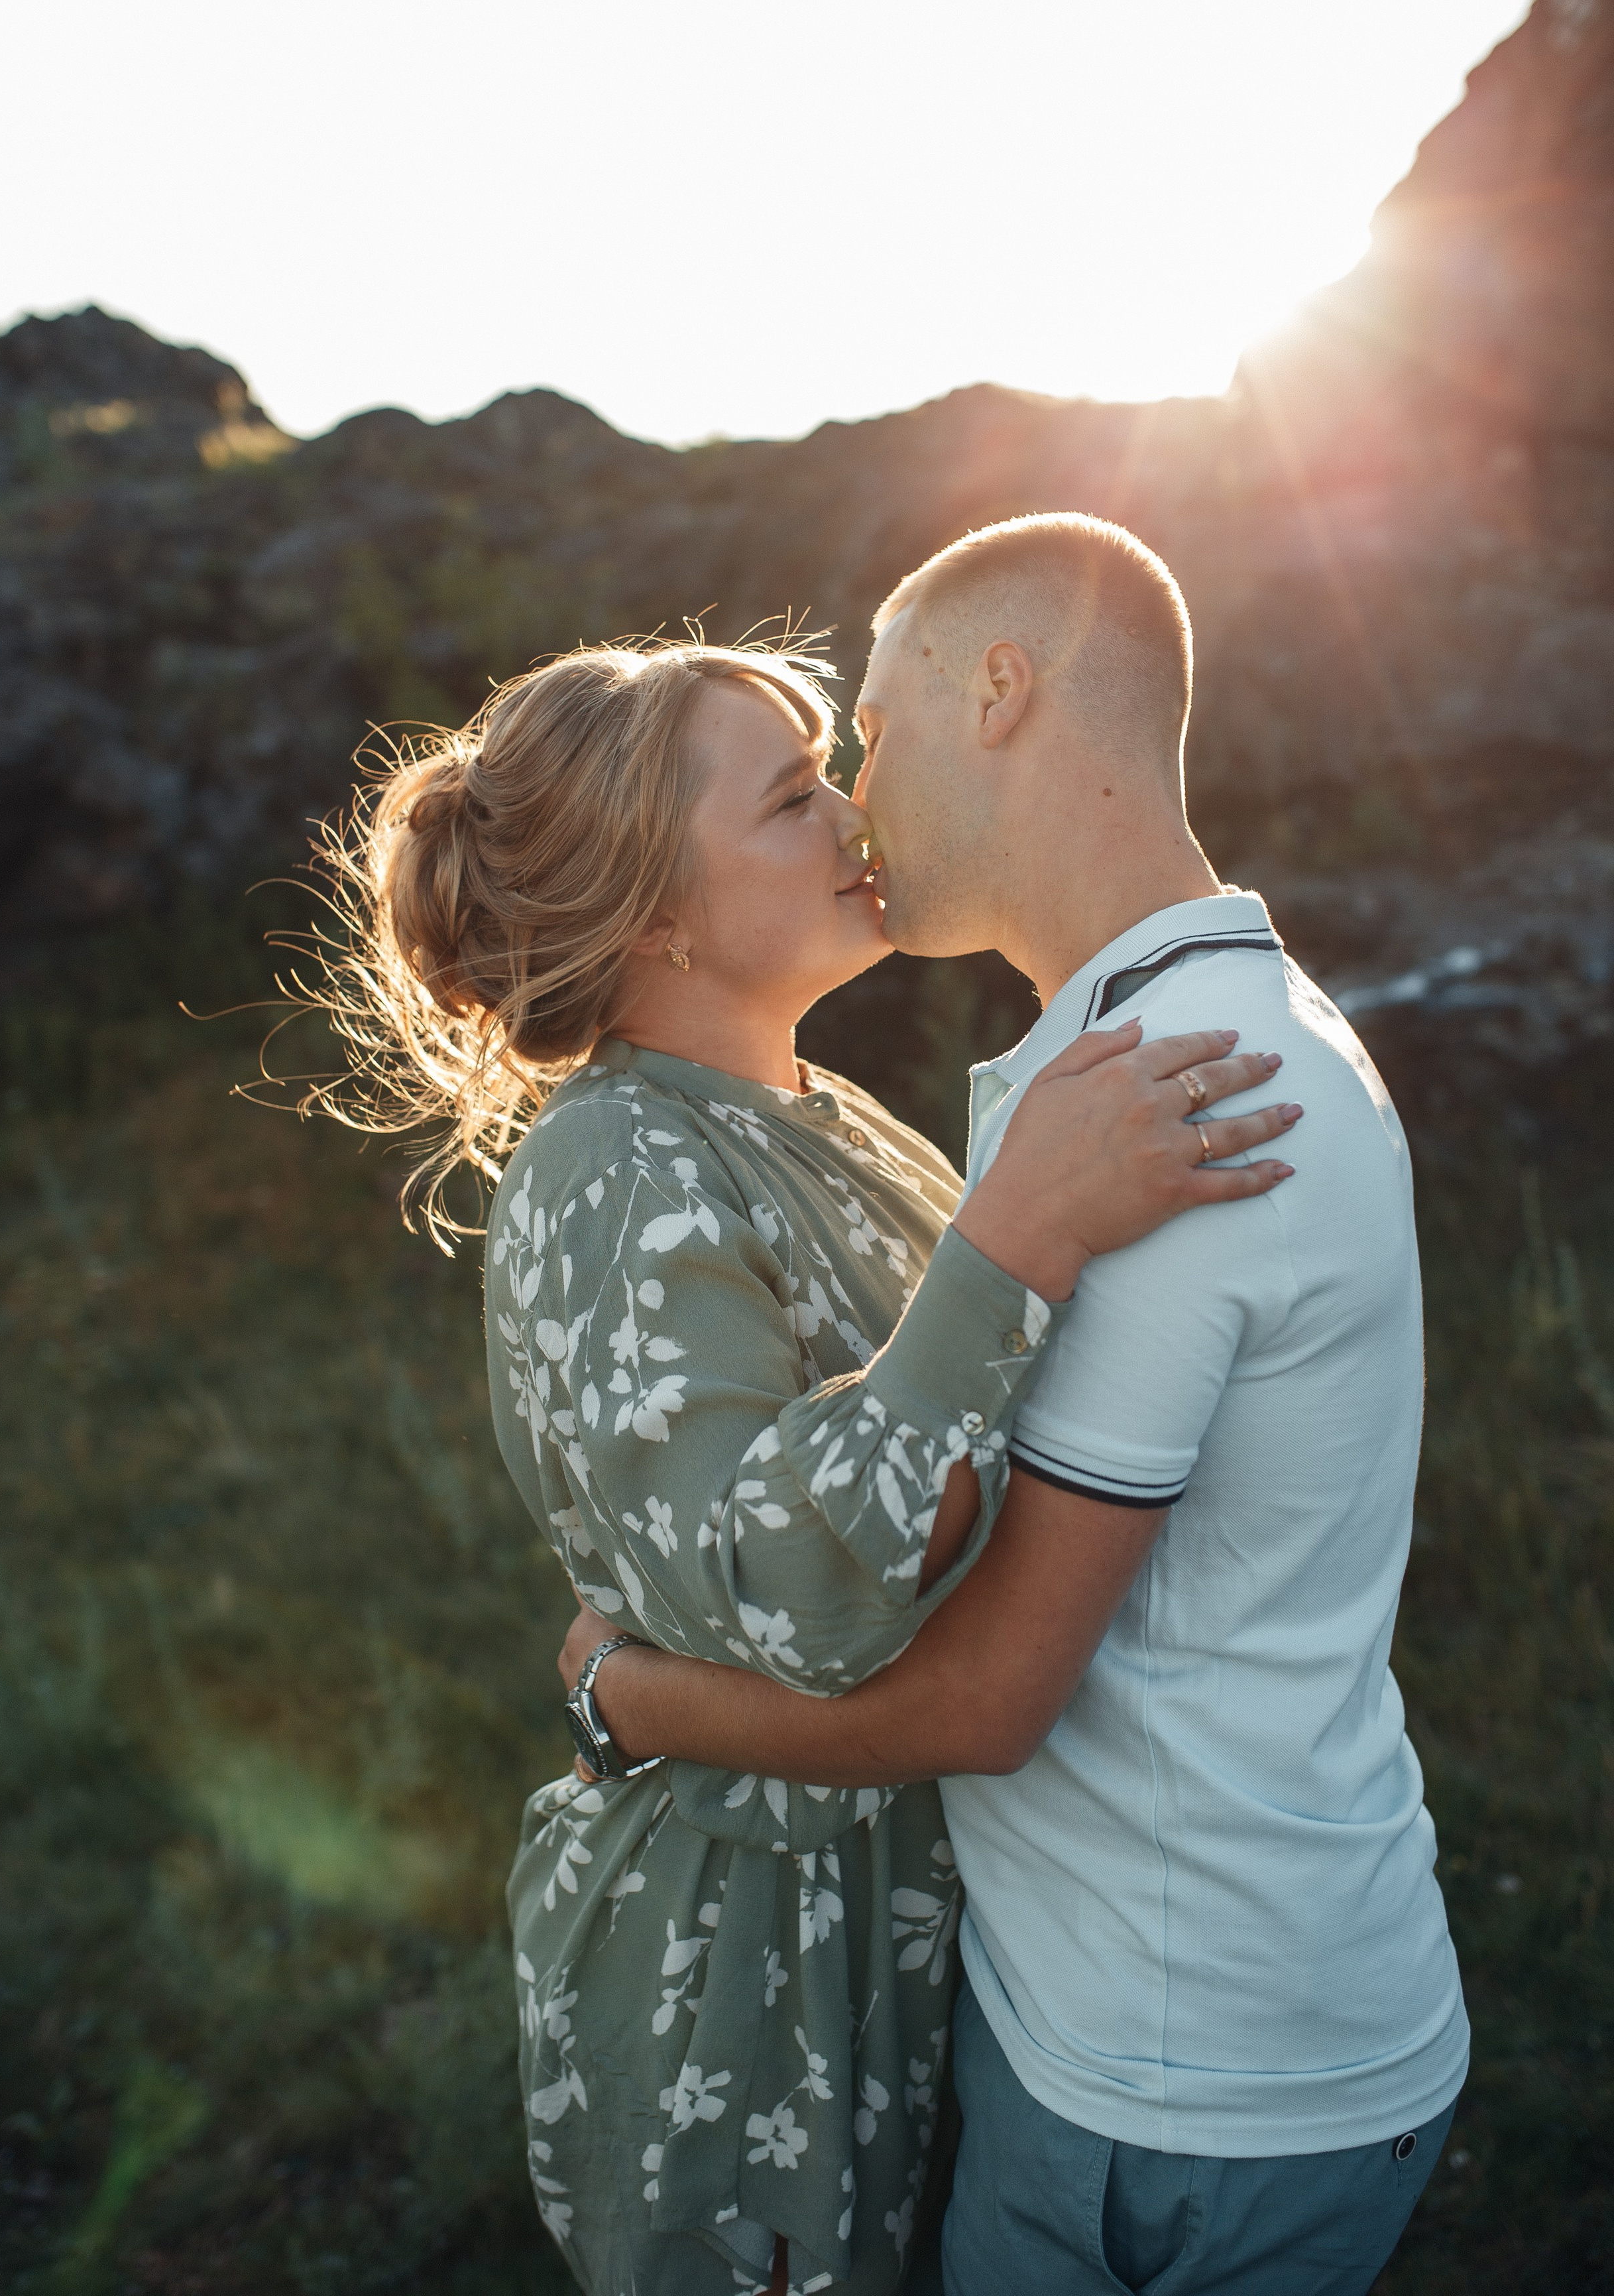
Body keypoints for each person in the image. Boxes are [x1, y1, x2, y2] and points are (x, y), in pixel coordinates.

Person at [312, 628, 1297, 2296]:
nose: (854, 813)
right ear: (657, 911)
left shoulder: (818, 1112)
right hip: (754, 1970)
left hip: (924, 1907)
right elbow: (787, 1594)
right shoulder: (608, 1164)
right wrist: (1011, 1242)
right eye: (789, 796)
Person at [561, 514, 1471, 2296]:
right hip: (1157, 2013)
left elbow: (987, 1697)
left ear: (1001, 688)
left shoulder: (1180, 1093)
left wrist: (619, 1688)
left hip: (1187, 2085)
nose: (858, 809)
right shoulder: (1168, 1040)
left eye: (872, 739)